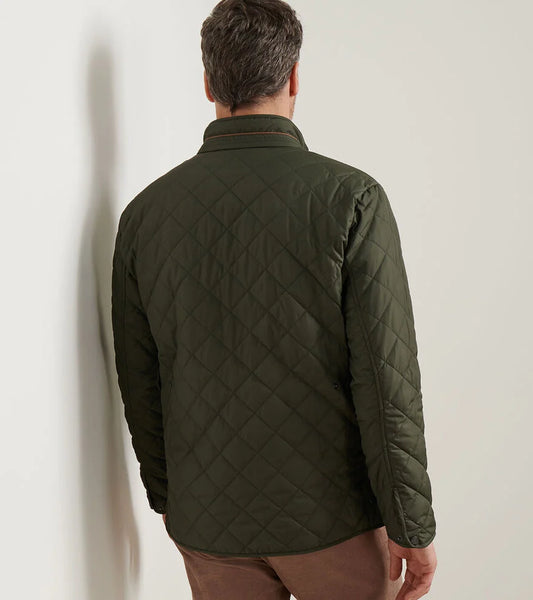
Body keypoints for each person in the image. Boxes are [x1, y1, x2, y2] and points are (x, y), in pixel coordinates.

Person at [111, 1, 438, 598]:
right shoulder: (352, 198)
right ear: (293, 78)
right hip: (332, 521)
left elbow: (140, 380)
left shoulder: (144, 215)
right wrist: (411, 524)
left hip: (208, 523)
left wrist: (170, 498)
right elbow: (386, 380)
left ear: (208, 83)